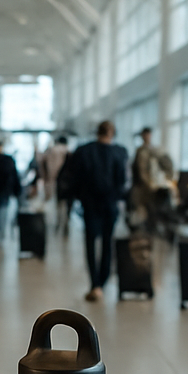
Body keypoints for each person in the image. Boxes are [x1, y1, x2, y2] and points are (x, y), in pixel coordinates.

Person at [71, 120, 130, 301]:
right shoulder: (119, 153)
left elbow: (75, 177)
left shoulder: (84, 151)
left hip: (90, 204)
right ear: (112, 132)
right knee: (107, 243)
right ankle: (102, 284)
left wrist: (81, 197)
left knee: (90, 243)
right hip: (110, 204)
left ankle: (95, 283)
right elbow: (122, 181)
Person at [132, 127, 176, 234]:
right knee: (141, 213)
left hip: (155, 187)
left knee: (154, 213)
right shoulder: (139, 151)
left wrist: (167, 180)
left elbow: (168, 165)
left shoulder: (156, 150)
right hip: (141, 187)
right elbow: (139, 171)